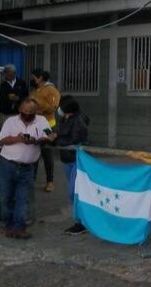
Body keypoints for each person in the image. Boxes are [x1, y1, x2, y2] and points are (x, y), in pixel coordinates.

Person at [0, 98, 52, 239]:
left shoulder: (41, 121)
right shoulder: (11, 121)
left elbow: (49, 136)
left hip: (28, 167)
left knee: (23, 198)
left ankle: (19, 227)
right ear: (20, 111)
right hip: (8, 165)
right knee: (6, 197)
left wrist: (36, 140)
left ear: (36, 112)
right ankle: (8, 226)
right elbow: (1, 140)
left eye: (30, 112)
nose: (27, 114)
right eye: (24, 112)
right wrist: (18, 138)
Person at [48, 95, 90, 235]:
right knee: (74, 192)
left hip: (77, 159)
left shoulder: (79, 121)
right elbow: (62, 134)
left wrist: (57, 140)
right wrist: (53, 137)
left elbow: (74, 140)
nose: (59, 109)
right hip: (67, 159)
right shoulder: (64, 119)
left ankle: (81, 222)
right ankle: (80, 220)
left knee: (75, 191)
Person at [29, 68, 60, 192]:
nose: (32, 79)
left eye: (34, 77)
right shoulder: (35, 91)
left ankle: (50, 181)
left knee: (47, 154)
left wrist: (38, 105)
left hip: (48, 126)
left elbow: (52, 108)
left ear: (40, 78)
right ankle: (31, 180)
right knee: (33, 153)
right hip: (34, 125)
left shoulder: (52, 91)